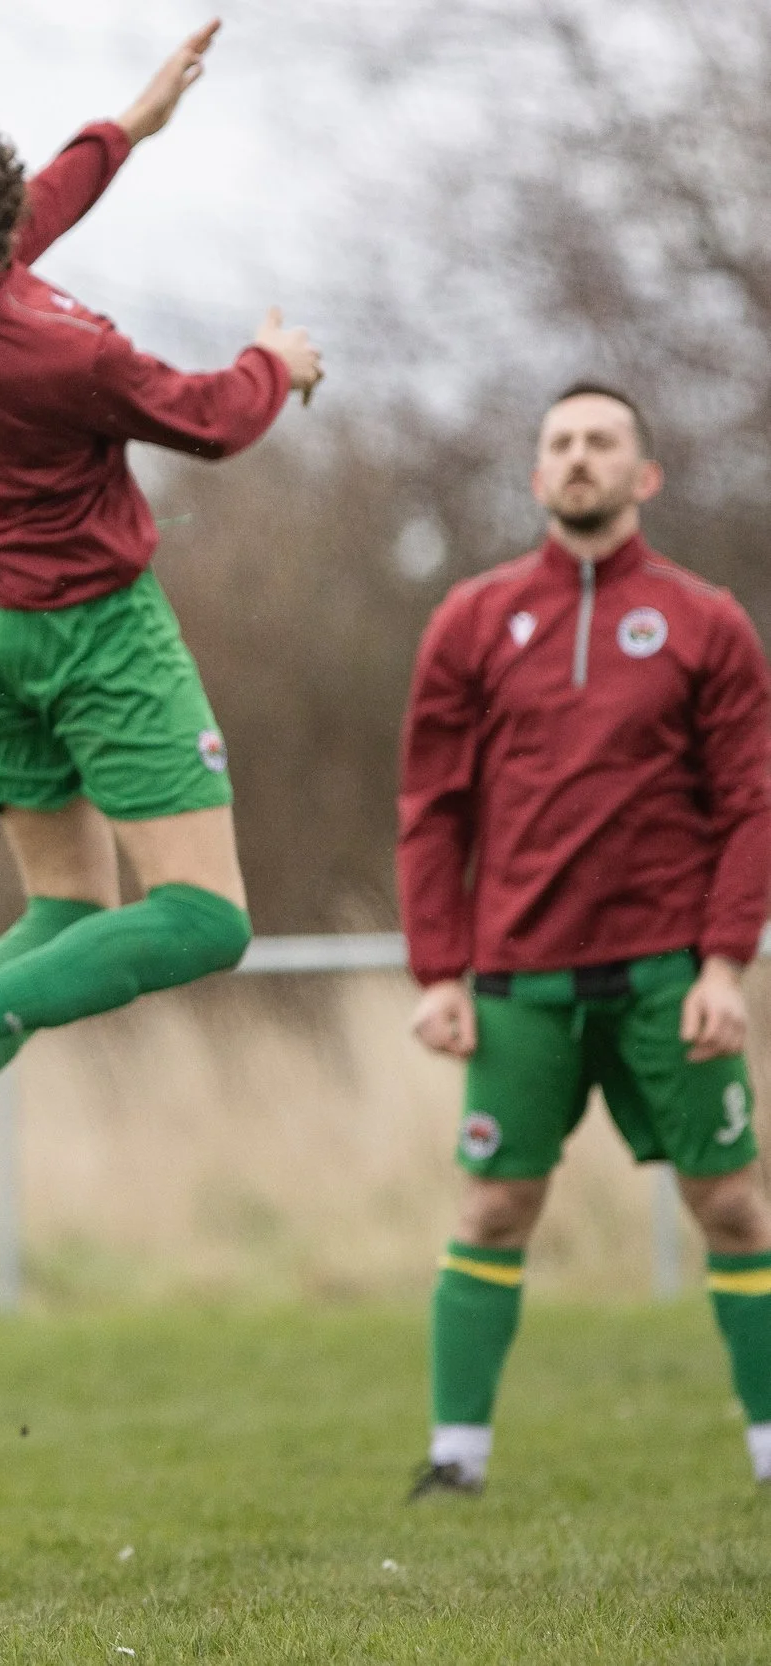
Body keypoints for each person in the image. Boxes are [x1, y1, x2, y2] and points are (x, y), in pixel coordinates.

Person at [0, 19, 325, 1312]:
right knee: (205, 920)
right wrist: (281, 362)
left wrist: (125, 128)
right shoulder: (67, 354)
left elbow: (17, 224)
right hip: (94, 632)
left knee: (67, 915)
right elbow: (213, 419)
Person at [400, 384, 771, 1497]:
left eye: (601, 440)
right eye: (558, 442)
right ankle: (454, 1460)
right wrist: (438, 971)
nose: (577, 457)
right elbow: (432, 806)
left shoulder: (704, 620)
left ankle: (766, 1448)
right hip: (516, 980)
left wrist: (722, 963)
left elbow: (750, 799)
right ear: (534, 475)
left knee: (736, 1203)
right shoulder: (472, 618)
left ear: (641, 474)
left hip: (669, 974)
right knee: (493, 1207)